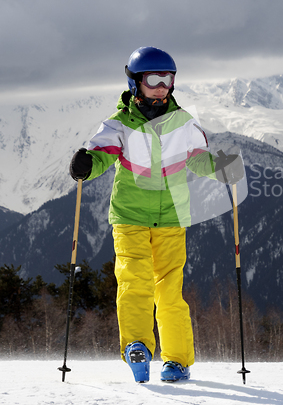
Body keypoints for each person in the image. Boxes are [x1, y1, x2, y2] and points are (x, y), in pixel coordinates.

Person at [69, 46, 244, 383]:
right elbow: (101, 154)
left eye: (168, 79)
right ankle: (137, 346)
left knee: (168, 292)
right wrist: (86, 165)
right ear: (136, 82)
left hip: (171, 219)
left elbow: (197, 159)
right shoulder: (119, 124)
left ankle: (177, 360)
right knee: (134, 281)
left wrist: (221, 168)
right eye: (154, 79)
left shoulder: (184, 123)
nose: (162, 86)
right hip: (129, 217)